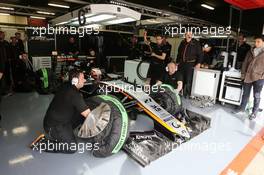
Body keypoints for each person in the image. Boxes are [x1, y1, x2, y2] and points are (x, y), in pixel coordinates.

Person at [32, 69, 91, 153]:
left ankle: (68, 133)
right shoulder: (74, 94)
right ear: (75, 80)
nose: (85, 80)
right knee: (71, 148)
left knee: (81, 112)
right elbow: (89, 115)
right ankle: (42, 143)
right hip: (54, 126)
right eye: (82, 78)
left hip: (58, 119)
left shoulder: (66, 85)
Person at [234, 35, 264, 120]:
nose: (256, 43)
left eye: (258, 41)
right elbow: (244, 63)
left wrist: (262, 76)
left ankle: (254, 112)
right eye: (255, 41)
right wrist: (243, 74)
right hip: (248, 76)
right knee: (245, 94)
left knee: (256, 95)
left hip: (259, 78)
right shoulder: (250, 51)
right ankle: (242, 109)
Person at [176, 32, 203, 98]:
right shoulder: (182, 42)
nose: (189, 35)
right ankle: (179, 92)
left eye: (190, 34)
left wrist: (199, 63)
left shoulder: (196, 43)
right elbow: (179, 53)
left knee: (188, 80)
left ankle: (187, 95)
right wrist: (177, 62)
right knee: (180, 78)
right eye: (187, 34)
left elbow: (200, 54)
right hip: (182, 63)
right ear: (185, 35)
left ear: (192, 35)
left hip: (190, 64)